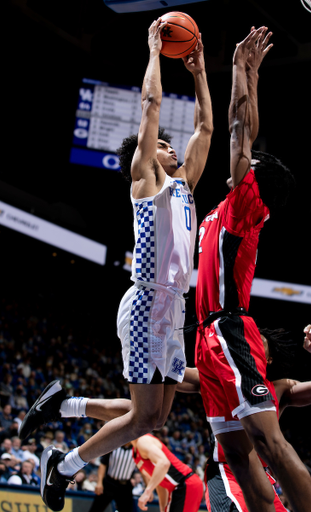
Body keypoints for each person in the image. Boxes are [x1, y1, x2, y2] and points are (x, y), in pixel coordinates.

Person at [18, 16, 213, 512]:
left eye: (173, 145)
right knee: (146, 418)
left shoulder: (186, 185)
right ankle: (62, 463)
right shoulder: (145, 180)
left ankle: (65, 407)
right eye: (165, 144)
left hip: (174, 309)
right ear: (149, 158)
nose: (172, 146)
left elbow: (207, 127)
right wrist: (154, 50)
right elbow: (150, 107)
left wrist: (200, 71)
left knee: (155, 418)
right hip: (148, 299)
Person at [194, 26, 311, 512]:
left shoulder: (247, 205)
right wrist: (246, 74)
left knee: (270, 444)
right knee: (237, 456)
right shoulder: (222, 209)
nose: (240, 164)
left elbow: (240, 129)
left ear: (255, 179)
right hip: (207, 339)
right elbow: (240, 135)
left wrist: (241, 73)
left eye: (250, 164)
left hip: (229, 328)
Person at [179, 324, 311, 512]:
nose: (250, 344)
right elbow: (170, 373)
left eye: (257, 342)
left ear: (268, 359)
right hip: (228, 471)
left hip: (263, 477)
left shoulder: (280, 388)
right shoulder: (214, 379)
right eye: (246, 341)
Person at [131, 433, 203, 512]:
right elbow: (160, 483)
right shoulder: (134, 452)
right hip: (182, 486)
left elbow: (164, 463)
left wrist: (147, 491)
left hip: (185, 483)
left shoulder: (143, 440)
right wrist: (163, 509)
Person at [87, 443, 136, 512]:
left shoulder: (137, 449)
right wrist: (99, 482)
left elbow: (143, 469)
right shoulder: (114, 445)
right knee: (96, 509)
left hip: (125, 486)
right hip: (109, 483)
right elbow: (103, 464)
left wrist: (148, 488)